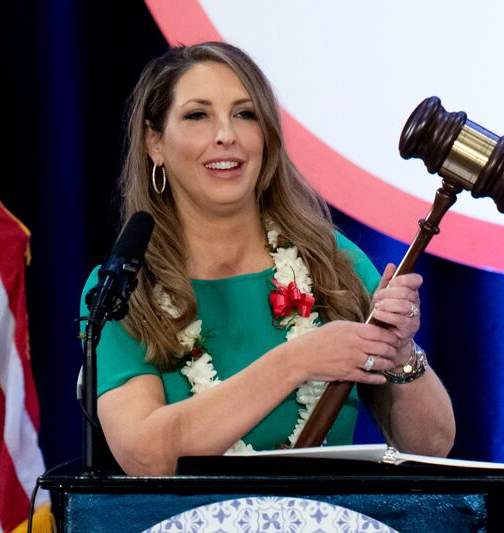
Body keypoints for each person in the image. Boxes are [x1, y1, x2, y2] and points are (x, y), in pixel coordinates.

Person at [81, 42, 455, 476]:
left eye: (245, 114)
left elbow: (432, 445)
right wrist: (297, 361)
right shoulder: (121, 290)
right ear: (155, 142)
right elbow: (145, 455)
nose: (227, 135)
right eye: (198, 115)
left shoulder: (332, 263)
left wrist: (402, 352)